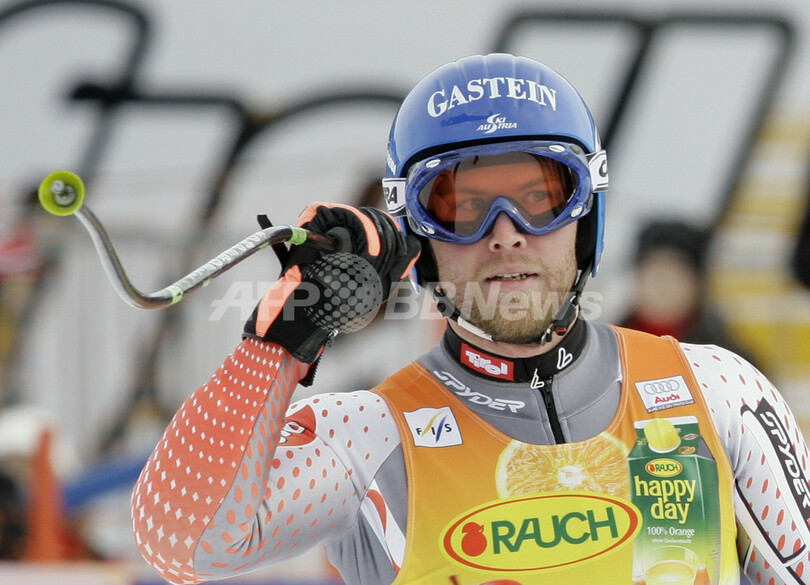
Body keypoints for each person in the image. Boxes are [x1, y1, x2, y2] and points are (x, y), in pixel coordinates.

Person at [132, 54, 809, 585]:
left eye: (540, 196)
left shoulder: (714, 391)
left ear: (587, 216)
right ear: (413, 233)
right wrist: (279, 342)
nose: (505, 234)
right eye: (461, 203)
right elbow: (183, 543)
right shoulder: (371, 436)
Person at [618, 218, 758, 366]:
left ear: (698, 283)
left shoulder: (731, 360)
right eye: (654, 271)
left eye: (675, 274)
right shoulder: (609, 349)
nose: (662, 284)